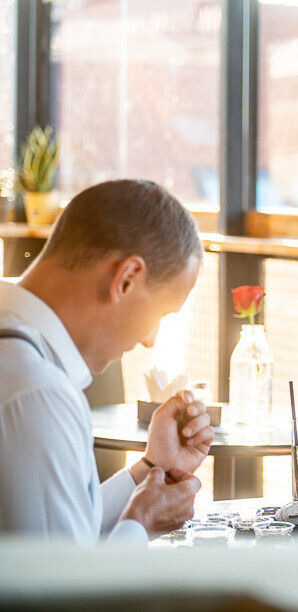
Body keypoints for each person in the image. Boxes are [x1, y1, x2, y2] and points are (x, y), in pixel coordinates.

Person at [0, 179, 213, 544]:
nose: (150, 340)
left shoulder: (21, 362)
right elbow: (66, 595)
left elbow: (64, 527)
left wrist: (150, 468)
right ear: (126, 278)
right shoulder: (40, 394)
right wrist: (141, 523)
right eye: (161, 311)